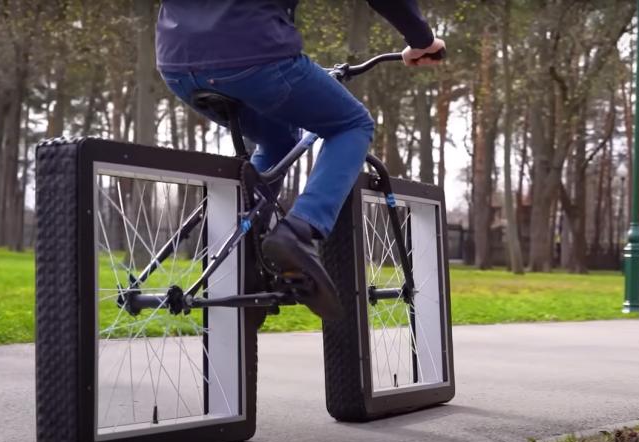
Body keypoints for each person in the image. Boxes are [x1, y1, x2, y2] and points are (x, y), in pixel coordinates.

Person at [156, 1, 445, 320]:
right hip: (255, 52)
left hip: (176, 63)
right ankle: (299, 230)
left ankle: (245, 249)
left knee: (278, 140)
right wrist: (422, 40)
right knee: (352, 124)